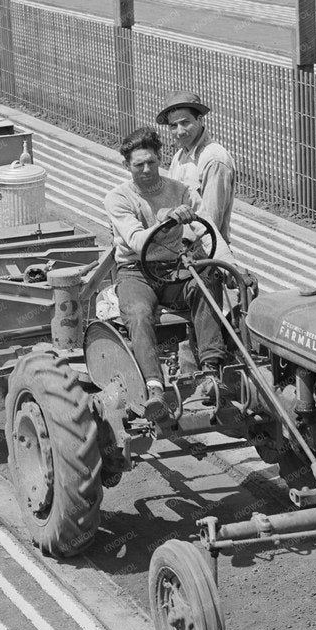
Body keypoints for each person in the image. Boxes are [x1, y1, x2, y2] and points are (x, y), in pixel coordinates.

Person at [104, 126, 228, 423]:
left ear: (160, 158)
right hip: (136, 272)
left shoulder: (180, 191)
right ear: (126, 165)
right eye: (139, 165)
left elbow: (208, 230)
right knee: (138, 312)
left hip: (174, 269)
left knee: (207, 279)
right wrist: (165, 221)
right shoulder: (117, 198)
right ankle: (155, 388)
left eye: (151, 162)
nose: (147, 169)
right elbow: (136, 241)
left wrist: (233, 266)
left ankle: (211, 371)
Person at [157, 91, 236, 246]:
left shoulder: (214, 159)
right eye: (173, 126)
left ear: (199, 120)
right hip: (178, 248)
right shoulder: (179, 157)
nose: (180, 131)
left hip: (201, 251)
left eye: (185, 123)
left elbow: (211, 221)